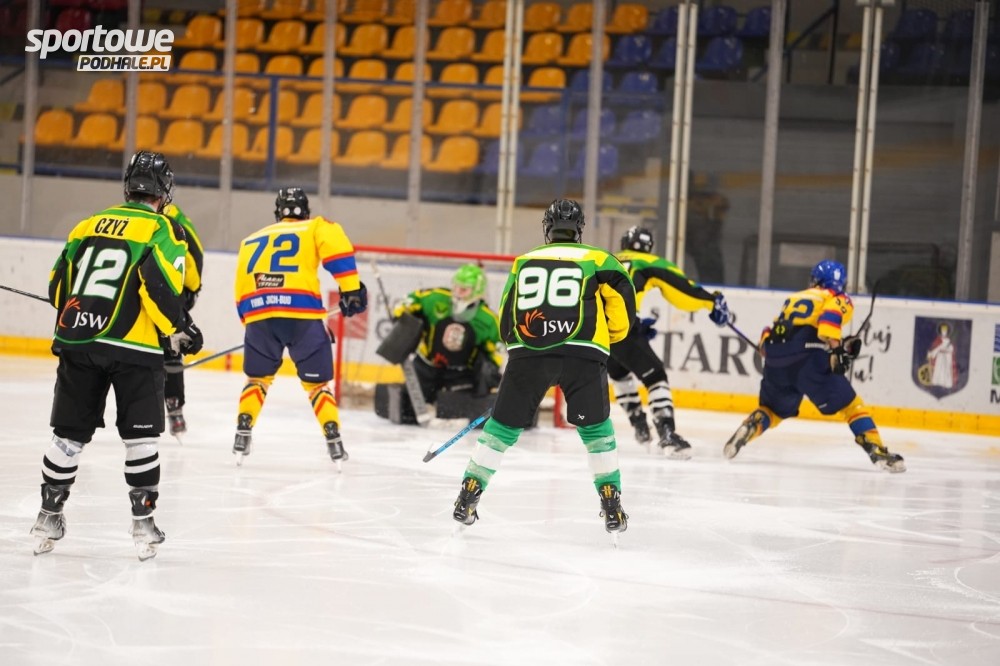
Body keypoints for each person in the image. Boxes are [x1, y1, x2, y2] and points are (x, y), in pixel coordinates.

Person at [31, 150, 204, 561]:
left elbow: (58, 289)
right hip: (134, 348)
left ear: (129, 187)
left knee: (67, 437)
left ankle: (48, 516)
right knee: (140, 439)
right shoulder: (163, 229)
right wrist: (182, 327)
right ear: (164, 191)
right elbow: (158, 287)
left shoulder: (87, 224)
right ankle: (143, 524)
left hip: (79, 342)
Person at [451, 199, 637, 538]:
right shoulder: (600, 259)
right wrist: (608, 337)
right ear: (580, 229)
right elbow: (622, 303)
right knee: (596, 432)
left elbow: (506, 315)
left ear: (547, 229)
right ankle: (611, 501)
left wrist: (519, 350)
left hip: (530, 353)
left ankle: (469, 492)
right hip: (584, 353)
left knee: (501, 429)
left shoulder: (524, 261)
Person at [723, 260, 906, 473]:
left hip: (776, 359)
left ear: (815, 280)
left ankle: (751, 425)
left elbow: (768, 338)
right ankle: (876, 449)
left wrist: (840, 345)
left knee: (772, 410)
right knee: (852, 406)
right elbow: (828, 321)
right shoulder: (838, 297)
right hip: (808, 359)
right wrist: (838, 350)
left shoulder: (794, 298)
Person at [232, 187, 367, 467]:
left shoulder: (251, 239)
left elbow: (241, 286)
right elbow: (337, 247)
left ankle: (243, 431)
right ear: (305, 211)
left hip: (259, 315)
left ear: (277, 212)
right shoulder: (314, 226)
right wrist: (351, 289)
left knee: (257, 379)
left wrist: (250, 321)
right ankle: (333, 438)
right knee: (317, 385)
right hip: (302, 316)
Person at [611, 226, 733, 458]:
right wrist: (710, 301)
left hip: (594, 330)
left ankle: (639, 425)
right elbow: (681, 289)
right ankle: (666, 433)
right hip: (621, 326)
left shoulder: (607, 259)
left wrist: (638, 323)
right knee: (655, 376)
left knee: (619, 372)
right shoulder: (648, 261)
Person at [390, 263, 503, 410]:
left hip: (461, 375)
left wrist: (491, 372)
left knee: (456, 407)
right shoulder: (435, 298)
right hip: (426, 366)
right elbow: (410, 300)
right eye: (456, 287)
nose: (457, 292)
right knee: (405, 408)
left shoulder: (488, 319)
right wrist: (400, 313)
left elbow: (497, 350)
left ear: (477, 291)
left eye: (464, 289)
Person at [161, 202, 203, 438]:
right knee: (172, 342)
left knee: (168, 340)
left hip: (176, 287)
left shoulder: (163, 221)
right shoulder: (175, 217)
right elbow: (193, 279)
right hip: (182, 289)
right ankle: (174, 406)